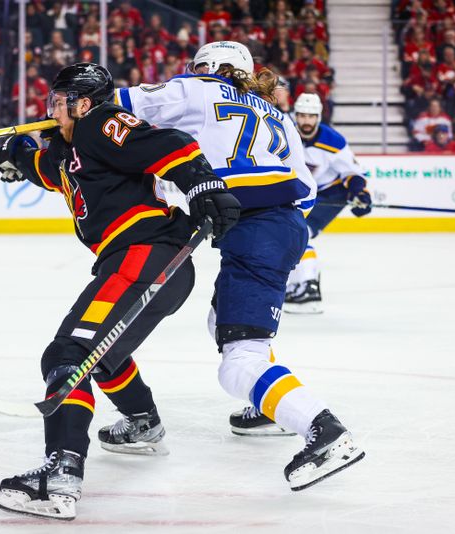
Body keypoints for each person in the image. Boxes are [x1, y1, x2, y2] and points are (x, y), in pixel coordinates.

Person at [0, 63, 239, 520]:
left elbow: (169, 143)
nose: (51, 108)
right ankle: (143, 423)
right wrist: (18, 154)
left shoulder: (99, 124)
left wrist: (203, 183)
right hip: (150, 263)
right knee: (106, 354)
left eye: (59, 100)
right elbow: (48, 171)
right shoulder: (71, 148)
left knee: (70, 354)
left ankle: (61, 474)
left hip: (144, 255)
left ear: (83, 103)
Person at [113, 41, 364, 491]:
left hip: (257, 234)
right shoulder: (276, 113)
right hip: (283, 227)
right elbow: (306, 190)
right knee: (220, 323)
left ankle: (324, 431)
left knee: (237, 362)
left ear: (206, 68)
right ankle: (270, 408)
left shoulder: (196, 90)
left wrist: (66, 117)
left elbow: (122, 103)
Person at [284, 93, 371, 313]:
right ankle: (297, 284)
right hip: (299, 194)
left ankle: (309, 285)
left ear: (319, 117)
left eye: (311, 116)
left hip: (328, 194)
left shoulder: (333, 141)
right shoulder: (284, 132)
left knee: (300, 233)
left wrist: (360, 193)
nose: (306, 121)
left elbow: (352, 173)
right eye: (302, 115)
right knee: (287, 234)